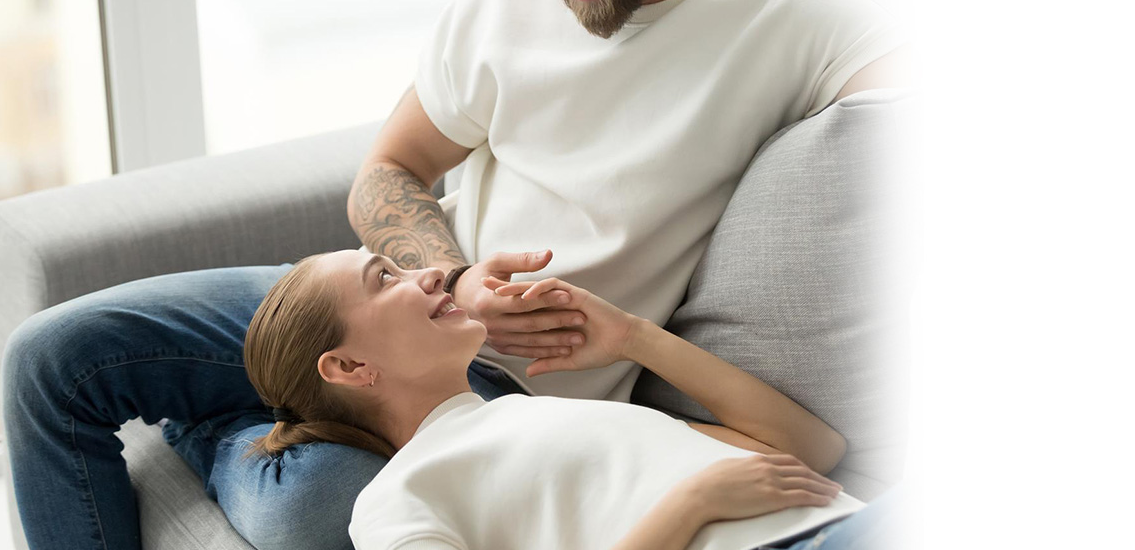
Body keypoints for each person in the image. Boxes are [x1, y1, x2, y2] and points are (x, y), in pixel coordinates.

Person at [1, 0, 908, 550]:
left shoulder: (795, 22)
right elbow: (388, 172)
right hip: (395, 302)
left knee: (312, 516)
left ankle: (236, 421)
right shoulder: (506, 0)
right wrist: (455, 277)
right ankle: (266, 406)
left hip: (518, 401)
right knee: (51, 360)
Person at [242, 249, 901, 550]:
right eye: (384, 277)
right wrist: (693, 504)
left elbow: (815, 452)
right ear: (350, 366)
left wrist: (634, 337)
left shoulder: (540, 415)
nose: (434, 271)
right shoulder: (394, 502)